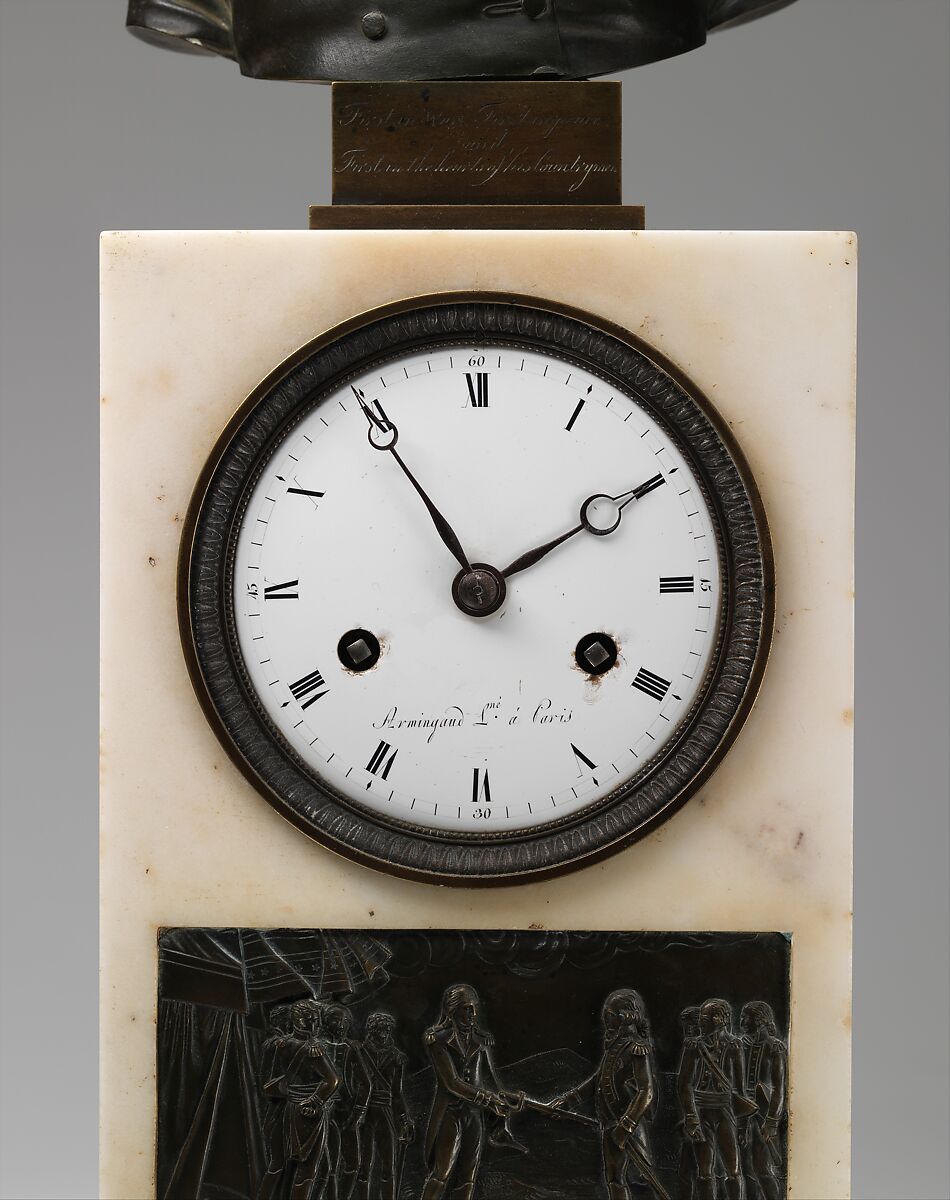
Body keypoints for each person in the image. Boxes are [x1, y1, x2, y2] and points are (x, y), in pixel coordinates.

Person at [560, 989, 664, 1200]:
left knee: (644, 1179)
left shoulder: (636, 1049)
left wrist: (625, 1127)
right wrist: (569, 1100)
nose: (604, 1018)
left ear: (624, 1017)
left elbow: (646, 1092)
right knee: (614, 1178)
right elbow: (598, 1080)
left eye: (609, 1013)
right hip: (610, 1124)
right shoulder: (614, 1047)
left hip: (629, 1128)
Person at [420, 983, 513, 1200]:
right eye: (466, 1008)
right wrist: (487, 1098)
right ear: (452, 1010)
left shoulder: (481, 1040)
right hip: (450, 1113)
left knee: (468, 1177)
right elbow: (451, 1082)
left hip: (474, 1115)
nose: (473, 1013)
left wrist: (506, 1098)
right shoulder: (438, 1040)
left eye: (474, 1008)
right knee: (441, 1173)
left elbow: (492, 1081)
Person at [678, 999, 750, 1200]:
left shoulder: (735, 1045)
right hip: (701, 1112)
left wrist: (743, 1127)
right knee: (704, 1170)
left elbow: (740, 1088)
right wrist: (691, 1117)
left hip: (726, 1112)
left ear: (719, 1019)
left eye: (704, 1017)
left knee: (733, 1169)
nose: (700, 1021)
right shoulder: (694, 1046)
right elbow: (684, 1085)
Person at [281, 999, 342, 1200]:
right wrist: (316, 1100)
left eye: (317, 1021)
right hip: (309, 1111)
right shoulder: (313, 1049)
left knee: (308, 1166)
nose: (316, 1026)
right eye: (312, 1021)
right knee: (308, 1170)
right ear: (299, 1021)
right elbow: (333, 1080)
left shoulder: (282, 1044)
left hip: (291, 1107)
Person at [353, 1012, 414, 1200]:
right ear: (372, 1030)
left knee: (389, 1165)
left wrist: (403, 1119)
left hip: (386, 1111)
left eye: (388, 1029)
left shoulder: (397, 1058)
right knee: (363, 1165)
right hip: (365, 1110)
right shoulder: (359, 1052)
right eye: (382, 1028)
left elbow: (397, 1092)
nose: (386, 1032)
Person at [739, 1002, 786, 1200]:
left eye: (745, 1017)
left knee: (763, 1170)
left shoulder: (775, 1047)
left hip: (764, 1117)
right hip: (744, 1116)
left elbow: (778, 1088)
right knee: (745, 1171)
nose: (741, 1021)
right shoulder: (741, 1045)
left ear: (758, 1021)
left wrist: (772, 1121)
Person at [322, 1004, 370, 1200]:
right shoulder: (317, 1045)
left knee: (352, 1162)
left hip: (345, 1110)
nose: (340, 1025)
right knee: (328, 1163)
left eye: (344, 1021)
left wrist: (359, 1112)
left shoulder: (350, 1048)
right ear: (326, 1022)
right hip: (322, 1110)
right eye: (335, 1019)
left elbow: (365, 1083)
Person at [258, 1004, 294, 1200]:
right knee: (278, 1162)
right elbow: (267, 1084)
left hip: (286, 1108)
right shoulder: (275, 1044)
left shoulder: (281, 1043)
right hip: (278, 1109)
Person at [675, 1007, 702, 1200]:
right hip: (693, 1120)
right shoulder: (691, 1048)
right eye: (686, 1029)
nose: (688, 1033)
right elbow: (683, 1085)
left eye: (691, 1028)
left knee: (703, 1170)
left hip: (708, 1118)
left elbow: (686, 1084)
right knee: (687, 1169)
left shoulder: (698, 1047)